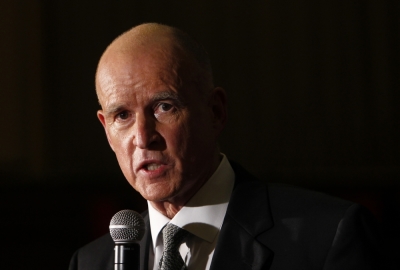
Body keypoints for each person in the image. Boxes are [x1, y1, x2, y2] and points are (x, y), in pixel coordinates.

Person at [69, 23, 385, 270]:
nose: (142, 136)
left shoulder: (327, 237)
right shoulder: (91, 263)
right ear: (107, 131)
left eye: (164, 107)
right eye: (122, 115)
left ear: (215, 112)